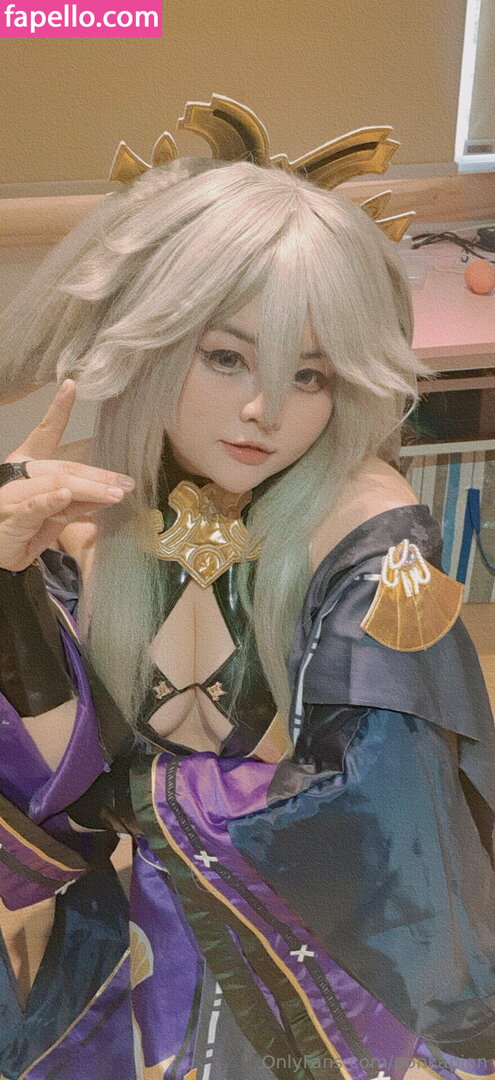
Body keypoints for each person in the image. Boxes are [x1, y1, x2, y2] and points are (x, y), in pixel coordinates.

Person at [1, 135, 495, 1080]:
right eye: (226, 357)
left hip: (297, 960)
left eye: (309, 375)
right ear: (151, 343)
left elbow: (379, 811)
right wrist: (4, 578)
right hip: (113, 949)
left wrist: (137, 806)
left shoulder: (377, 535)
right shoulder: (75, 506)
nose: (265, 410)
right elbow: (44, 791)